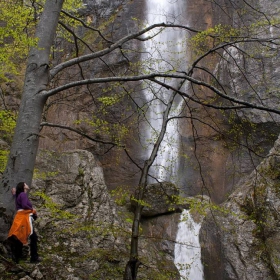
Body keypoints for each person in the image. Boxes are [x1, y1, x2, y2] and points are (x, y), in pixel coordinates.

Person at [7, 182, 40, 263]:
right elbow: (24, 205)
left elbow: (19, 203)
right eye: (26, 184)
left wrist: (15, 194)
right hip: (25, 218)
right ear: (23, 187)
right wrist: (32, 210)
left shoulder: (19, 195)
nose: (27, 185)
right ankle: (34, 257)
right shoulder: (23, 194)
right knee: (33, 236)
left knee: (20, 236)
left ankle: (17, 257)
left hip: (20, 217)